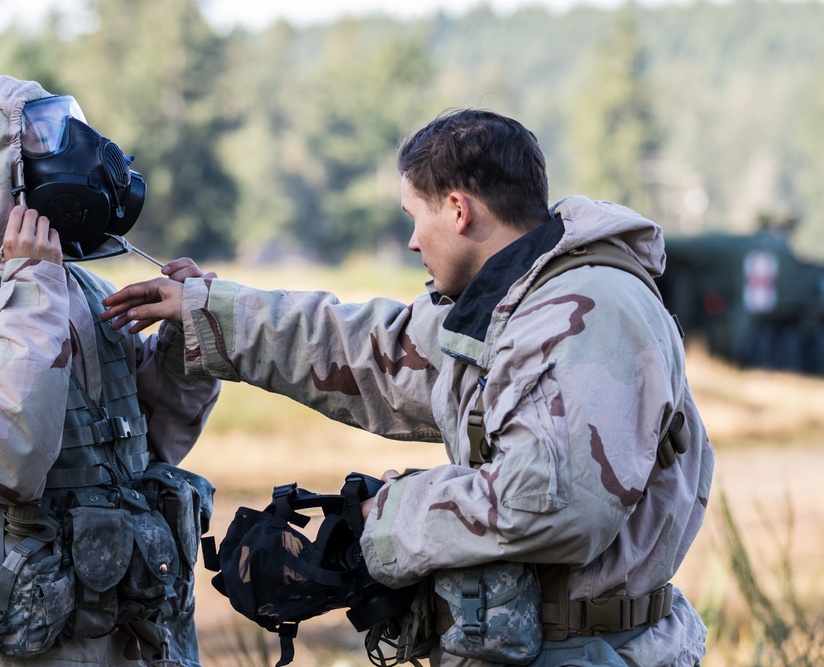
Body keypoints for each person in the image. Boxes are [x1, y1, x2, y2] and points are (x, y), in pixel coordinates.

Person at [101, 108, 715, 666]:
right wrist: (207, 310)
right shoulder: (510, 304)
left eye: (415, 218)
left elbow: (556, 503)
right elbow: (364, 353)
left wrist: (382, 517)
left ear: (457, 209)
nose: (415, 240)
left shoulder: (589, 311)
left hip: (594, 651)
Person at [0, 72, 220, 666]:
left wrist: (188, 342)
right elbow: (2, 462)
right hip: (20, 649)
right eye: (38, 135)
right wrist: (33, 298)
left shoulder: (81, 288)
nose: (71, 148)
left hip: (135, 638)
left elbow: (152, 444)